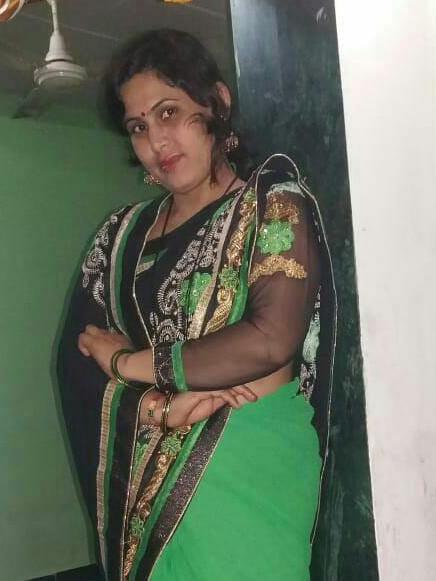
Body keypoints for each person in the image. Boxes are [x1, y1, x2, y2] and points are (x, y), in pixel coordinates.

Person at [58, 29, 336, 581]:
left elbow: (269, 339)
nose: (157, 141)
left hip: (251, 460)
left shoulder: (273, 205)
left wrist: (130, 363)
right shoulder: (119, 237)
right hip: (148, 474)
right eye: (139, 127)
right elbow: (76, 358)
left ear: (218, 103)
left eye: (169, 113)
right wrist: (159, 409)